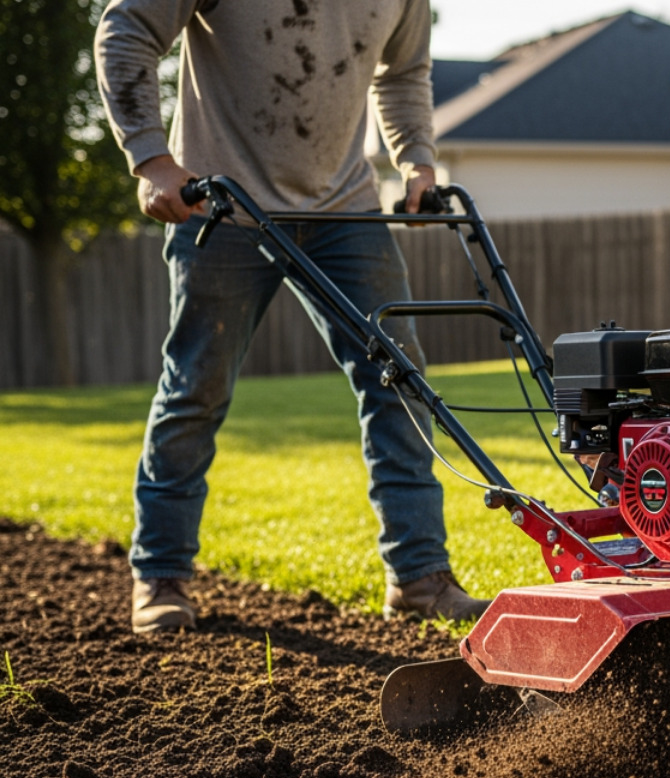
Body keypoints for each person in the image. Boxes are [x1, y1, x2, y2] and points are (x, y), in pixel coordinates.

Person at [95, 0, 491, 633]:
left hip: (345, 211)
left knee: (402, 385)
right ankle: (161, 575)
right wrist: (151, 157)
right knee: (197, 386)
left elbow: (404, 70)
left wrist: (416, 157)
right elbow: (127, 29)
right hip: (222, 208)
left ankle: (419, 576)